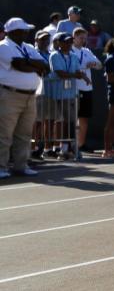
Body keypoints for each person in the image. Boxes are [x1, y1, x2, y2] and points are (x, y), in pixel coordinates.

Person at [0, 18, 49, 179]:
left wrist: (29, 63)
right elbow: (18, 65)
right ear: (13, 32)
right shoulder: (3, 46)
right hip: (10, 95)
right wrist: (34, 66)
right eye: (23, 30)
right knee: (4, 134)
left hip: (30, 96)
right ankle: (1, 167)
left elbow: (45, 65)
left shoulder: (27, 47)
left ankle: (21, 165)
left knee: (25, 134)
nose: (26, 33)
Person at [49, 32, 84, 159]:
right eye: (66, 42)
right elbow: (60, 73)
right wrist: (76, 75)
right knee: (64, 122)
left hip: (72, 94)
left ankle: (70, 148)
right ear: (58, 43)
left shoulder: (73, 56)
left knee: (72, 122)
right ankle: (64, 149)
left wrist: (83, 76)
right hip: (59, 94)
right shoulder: (54, 55)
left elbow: (78, 71)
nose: (69, 44)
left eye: (70, 41)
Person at [71, 27, 101, 155]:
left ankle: (81, 144)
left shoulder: (87, 51)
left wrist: (93, 64)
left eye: (84, 38)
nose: (83, 40)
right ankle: (70, 145)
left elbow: (100, 65)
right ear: (74, 38)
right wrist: (84, 65)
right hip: (74, 88)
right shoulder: (70, 51)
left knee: (84, 118)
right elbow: (72, 67)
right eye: (80, 38)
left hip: (87, 88)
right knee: (72, 118)